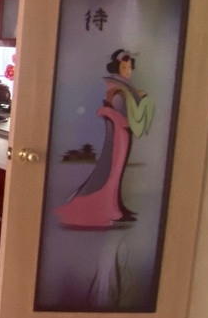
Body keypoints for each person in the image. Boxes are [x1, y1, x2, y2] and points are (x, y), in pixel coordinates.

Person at [55, 49, 154, 229]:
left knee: (117, 171)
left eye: (129, 67)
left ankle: (115, 207)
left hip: (123, 135)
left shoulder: (124, 88)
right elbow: (117, 113)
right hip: (118, 134)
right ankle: (103, 208)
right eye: (124, 67)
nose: (127, 71)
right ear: (117, 67)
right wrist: (128, 116)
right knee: (112, 170)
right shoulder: (116, 88)